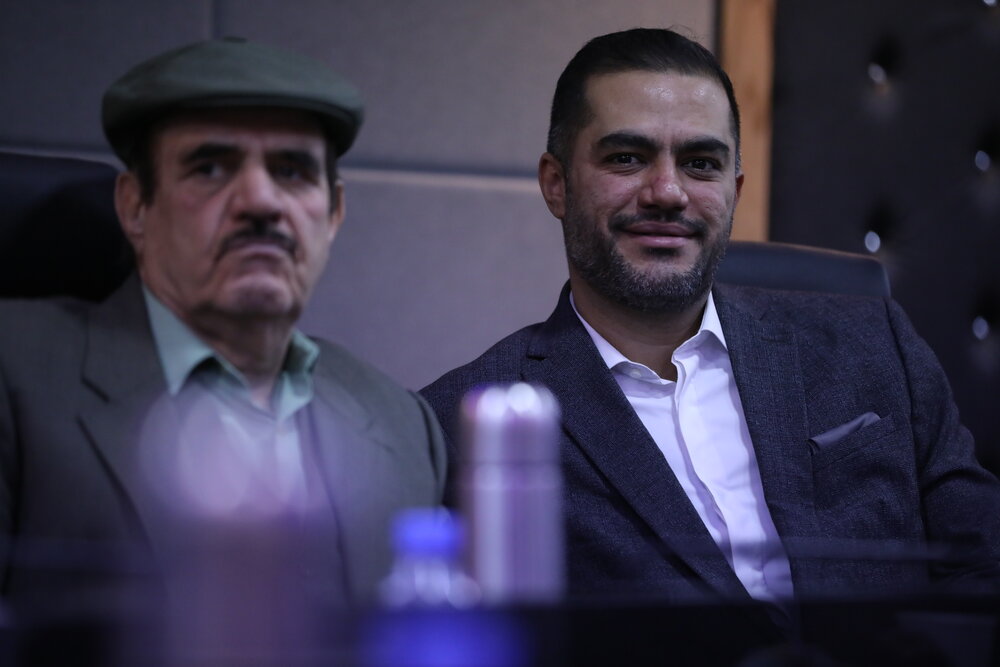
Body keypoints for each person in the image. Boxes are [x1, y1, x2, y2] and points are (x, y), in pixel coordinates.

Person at [421, 28, 1000, 619]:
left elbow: (982, 567)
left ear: (734, 191)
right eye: (626, 158)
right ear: (556, 184)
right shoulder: (460, 427)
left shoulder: (875, 346)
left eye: (700, 163)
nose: (667, 192)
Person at [0, 39, 445, 614]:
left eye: (292, 171)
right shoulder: (16, 376)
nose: (260, 202)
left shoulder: (403, 424)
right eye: (209, 168)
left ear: (333, 213)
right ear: (134, 206)